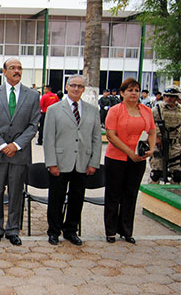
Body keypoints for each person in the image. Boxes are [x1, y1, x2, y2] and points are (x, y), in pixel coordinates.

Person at [0, 58, 40, 246]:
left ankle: (13, 229)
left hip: (19, 154)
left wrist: (15, 145)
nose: (17, 71)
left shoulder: (32, 96)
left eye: (19, 68)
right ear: (4, 71)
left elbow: (33, 125)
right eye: (12, 68)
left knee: (16, 193)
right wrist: (1, 145)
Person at [43, 75, 102, 246]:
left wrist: (94, 162)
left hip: (82, 162)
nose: (76, 89)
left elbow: (96, 138)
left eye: (80, 86)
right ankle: (53, 231)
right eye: (73, 85)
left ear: (84, 89)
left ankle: (71, 231)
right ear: (67, 87)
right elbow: (48, 139)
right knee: (56, 199)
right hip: (60, 163)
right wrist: (51, 163)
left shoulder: (92, 110)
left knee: (77, 199)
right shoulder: (54, 109)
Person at [104, 78, 156, 244]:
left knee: (131, 194)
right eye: (130, 90)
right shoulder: (115, 110)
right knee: (114, 195)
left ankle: (126, 230)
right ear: (122, 93)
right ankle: (110, 231)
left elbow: (152, 131)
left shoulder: (146, 111)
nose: (133, 93)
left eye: (136, 90)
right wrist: (128, 152)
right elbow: (111, 135)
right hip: (117, 158)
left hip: (138, 158)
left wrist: (152, 149)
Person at [149, 85, 181, 184]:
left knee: (177, 175)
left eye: (171, 96)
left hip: (175, 145)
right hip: (159, 144)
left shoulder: (180, 110)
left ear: (177, 97)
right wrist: (156, 139)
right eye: (166, 96)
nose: (168, 98)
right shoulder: (157, 109)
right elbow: (148, 125)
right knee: (156, 174)